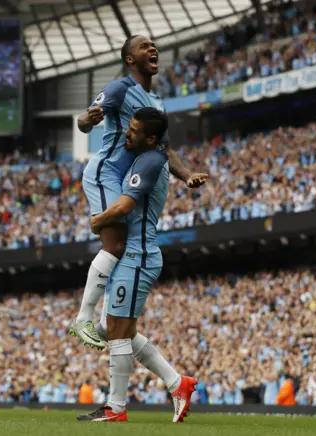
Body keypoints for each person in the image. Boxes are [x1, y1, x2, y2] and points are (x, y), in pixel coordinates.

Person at [70, 34, 208, 350]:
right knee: (116, 244)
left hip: (125, 181)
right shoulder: (120, 88)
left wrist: (186, 175)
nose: (153, 48)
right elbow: (84, 120)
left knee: (124, 251)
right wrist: (87, 121)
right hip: (108, 171)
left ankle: (105, 323)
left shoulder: (157, 102)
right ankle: (83, 319)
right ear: (130, 59)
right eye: (144, 46)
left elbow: (165, 148)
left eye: (154, 45)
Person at [77, 108, 196, 423]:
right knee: (118, 330)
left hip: (137, 256)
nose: (127, 133)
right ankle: (177, 383)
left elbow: (125, 205)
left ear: (151, 138)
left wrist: (96, 221)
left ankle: (116, 408)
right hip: (134, 255)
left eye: (134, 129)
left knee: (116, 330)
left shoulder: (150, 161)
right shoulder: (148, 157)